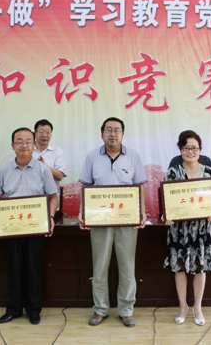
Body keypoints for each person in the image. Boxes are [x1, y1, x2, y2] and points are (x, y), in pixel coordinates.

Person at [78, 117, 148, 328]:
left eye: (117, 130)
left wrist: (142, 212)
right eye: (108, 130)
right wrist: (82, 211)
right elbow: (85, 187)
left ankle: (126, 311)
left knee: (127, 267)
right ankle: (100, 309)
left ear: (123, 134)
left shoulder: (133, 156)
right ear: (102, 134)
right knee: (100, 266)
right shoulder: (92, 156)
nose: (113, 133)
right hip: (99, 221)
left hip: (127, 221)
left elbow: (140, 187)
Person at [0, 127, 59, 325]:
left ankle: (34, 310)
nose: (24, 145)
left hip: (36, 227)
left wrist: (50, 217)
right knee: (14, 268)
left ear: (34, 145)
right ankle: (15, 309)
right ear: (13, 146)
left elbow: (53, 197)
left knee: (34, 268)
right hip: (11, 227)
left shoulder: (43, 169)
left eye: (28, 141)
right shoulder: (5, 170)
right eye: (19, 141)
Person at [163, 131, 211, 326]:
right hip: (179, 229)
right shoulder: (172, 172)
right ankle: (183, 306)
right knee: (179, 268)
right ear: (180, 150)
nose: (190, 151)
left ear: (200, 150)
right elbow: (167, 199)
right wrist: (167, 214)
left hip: (202, 228)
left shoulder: (209, 171)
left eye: (194, 148)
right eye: (186, 148)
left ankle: (198, 307)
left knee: (200, 268)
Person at [32, 119, 67, 216]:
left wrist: (43, 166)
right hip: (31, 201)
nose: (45, 135)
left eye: (48, 132)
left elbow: (59, 176)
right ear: (35, 132)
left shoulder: (57, 151)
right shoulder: (27, 150)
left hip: (51, 202)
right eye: (41, 132)